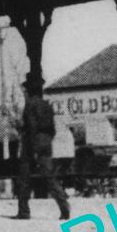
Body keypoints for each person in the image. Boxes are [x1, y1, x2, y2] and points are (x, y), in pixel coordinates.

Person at [16, 73, 71, 221]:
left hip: (31, 144)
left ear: (29, 90)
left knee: (24, 178)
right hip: (46, 143)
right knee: (50, 177)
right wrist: (45, 141)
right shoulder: (46, 105)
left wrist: (32, 147)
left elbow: (32, 126)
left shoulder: (30, 105)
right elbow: (52, 129)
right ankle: (63, 205)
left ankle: (23, 211)